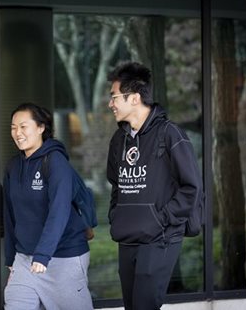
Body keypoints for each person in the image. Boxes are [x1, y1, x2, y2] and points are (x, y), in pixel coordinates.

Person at [106, 62, 202, 310]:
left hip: (161, 237)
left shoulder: (171, 134)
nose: (110, 104)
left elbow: (191, 187)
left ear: (135, 98)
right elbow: (115, 184)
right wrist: (116, 215)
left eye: (114, 97)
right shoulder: (119, 139)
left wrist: (162, 218)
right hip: (127, 236)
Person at [3, 102, 94, 310]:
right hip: (25, 260)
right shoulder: (13, 166)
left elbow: (59, 211)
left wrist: (43, 255)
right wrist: (10, 257)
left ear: (41, 128)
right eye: (13, 127)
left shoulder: (55, 161)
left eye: (23, 126)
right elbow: (10, 215)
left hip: (64, 258)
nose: (17, 133)